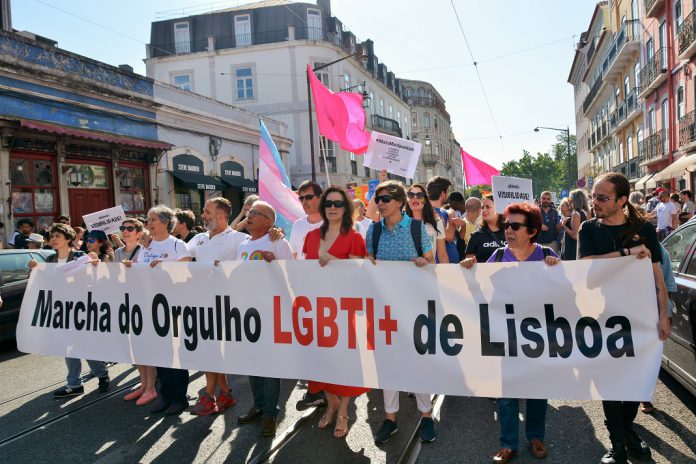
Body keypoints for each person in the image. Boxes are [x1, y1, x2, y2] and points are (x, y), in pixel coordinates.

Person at [578, 172, 670, 464]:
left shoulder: (643, 227)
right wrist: (627, 253)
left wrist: (664, 314)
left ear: (621, 200)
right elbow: (584, 266)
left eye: (602, 197)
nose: (595, 202)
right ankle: (618, 443)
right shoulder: (588, 230)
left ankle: (626, 431)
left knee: (635, 379)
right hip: (603, 316)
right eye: (594, 196)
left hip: (639, 316)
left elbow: (657, 276)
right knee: (609, 380)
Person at [461, 202, 559, 464]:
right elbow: (479, 290)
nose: (508, 231)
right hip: (506, 334)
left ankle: (536, 436)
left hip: (538, 336)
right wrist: (470, 270)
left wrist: (556, 269)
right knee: (506, 393)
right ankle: (508, 444)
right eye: (507, 226)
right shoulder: (499, 256)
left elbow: (563, 295)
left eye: (515, 226)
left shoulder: (546, 254)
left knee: (537, 390)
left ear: (532, 231)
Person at [365, 180, 437, 444]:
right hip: (385, 310)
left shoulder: (416, 229)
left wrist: (424, 262)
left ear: (398, 202)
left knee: (418, 361)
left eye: (384, 199)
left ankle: (426, 415)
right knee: (388, 364)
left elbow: (432, 262)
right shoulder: (373, 232)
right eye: (377, 199)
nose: (379, 204)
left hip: (415, 308)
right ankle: (390, 418)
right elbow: (370, 265)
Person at [302, 187, 368, 439]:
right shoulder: (309, 236)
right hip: (315, 308)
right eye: (328, 203)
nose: (332, 207)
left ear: (346, 208)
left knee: (345, 361)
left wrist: (339, 262)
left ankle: (343, 410)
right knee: (320, 361)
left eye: (338, 204)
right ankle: (331, 402)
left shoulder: (353, 237)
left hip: (344, 310)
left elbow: (362, 271)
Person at [29, 223, 110, 398]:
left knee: (86, 344)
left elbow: (96, 279)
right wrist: (35, 270)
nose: (53, 239)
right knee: (68, 346)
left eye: (57, 236)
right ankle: (75, 384)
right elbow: (43, 282)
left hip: (81, 307)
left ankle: (102, 375)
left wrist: (96, 265)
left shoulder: (80, 256)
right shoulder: (50, 260)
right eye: (52, 236)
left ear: (68, 239)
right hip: (60, 308)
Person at [235, 200, 293, 437]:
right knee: (253, 362)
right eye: (249, 212)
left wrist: (275, 263)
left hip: (271, 312)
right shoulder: (242, 245)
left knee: (269, 365)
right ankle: (258, 405)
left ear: (268, 222)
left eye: (256, 213)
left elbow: (293, 275)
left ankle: (270, 412)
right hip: (247, 312)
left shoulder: (278, 241)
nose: (249, 215)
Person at [188, 198, 249, 416]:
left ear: (222, 216)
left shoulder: (239, 239)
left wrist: (274, 236)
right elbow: (180, 259)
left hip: (226, 305)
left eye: (207, 212)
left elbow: (252, 260)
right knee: (211, 349)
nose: (202, 215)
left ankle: (209, 394)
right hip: (202, 304)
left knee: (213, 350)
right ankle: (224, 392)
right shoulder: (198, 238)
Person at [139, 205, 193, 416]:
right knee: (159, 352)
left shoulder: (178, 245)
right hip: (150, 305)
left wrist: (165, 267)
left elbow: (186, 274)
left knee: (175, 353)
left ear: (164, 222)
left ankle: (180, 398)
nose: (148, 223)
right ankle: (165, 396)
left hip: (174, 307)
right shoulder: (146, 246)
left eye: (152, 219)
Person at [405, 184, 448, 262]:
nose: (415, 197)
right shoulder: (400, 223)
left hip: (429, 271)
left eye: (419, 195)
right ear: (408, 201)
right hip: (406, 271)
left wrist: (445, 274)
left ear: (425, 200)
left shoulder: (437, 222)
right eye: (411, 195)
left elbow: (442, 255)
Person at [461, 195, 506, 265]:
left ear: (499, 209)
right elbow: (469, 262)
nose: (484, 210)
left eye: (487, 207)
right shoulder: (476, 236)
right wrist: (468, 261)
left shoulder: (510, 233)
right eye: (482, 207)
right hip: (483, 275)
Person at [426, 176, 459, 263]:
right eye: (447, 192)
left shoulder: (442, 211)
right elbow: (449, 237)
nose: (448, 195)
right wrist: (452, 215)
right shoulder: (430, 212)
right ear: (443, 194)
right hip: (441, 266)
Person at [290, 180, 324, 259]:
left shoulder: (333, 224)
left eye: (308, 197)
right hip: (302, 271)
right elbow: (293, 255)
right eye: (301, 198)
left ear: (321, 198)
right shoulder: (297, 225)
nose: (304, 202)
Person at [560, 190, 590, 261]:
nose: (569, 200)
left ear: (574, 200)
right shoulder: (588, 212)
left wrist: (564, 226)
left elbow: (575, 236)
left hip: (573, 249)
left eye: (570, 198)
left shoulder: (576, 213)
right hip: (584, 247)